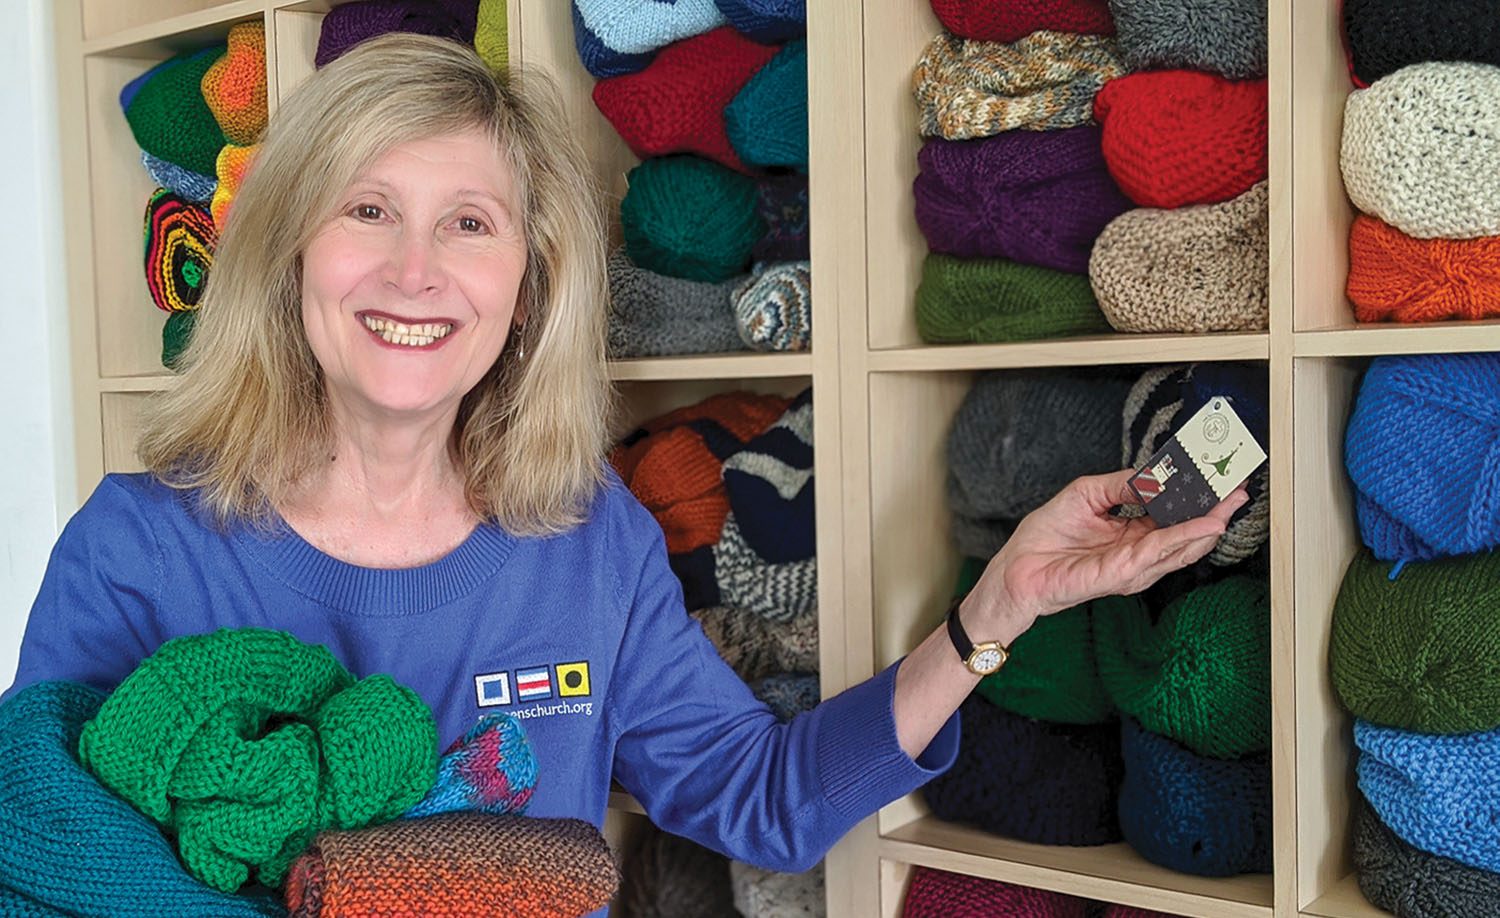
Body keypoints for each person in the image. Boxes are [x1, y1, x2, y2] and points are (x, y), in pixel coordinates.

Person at [5, 32, 1245, 888]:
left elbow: (759, 797)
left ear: (527, 290)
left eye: (471, 224)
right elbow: (48, 867)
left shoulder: (585, 535)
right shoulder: (138, 550)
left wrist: (999, 608)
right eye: (366, 209)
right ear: (286, 252)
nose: (415, 270)